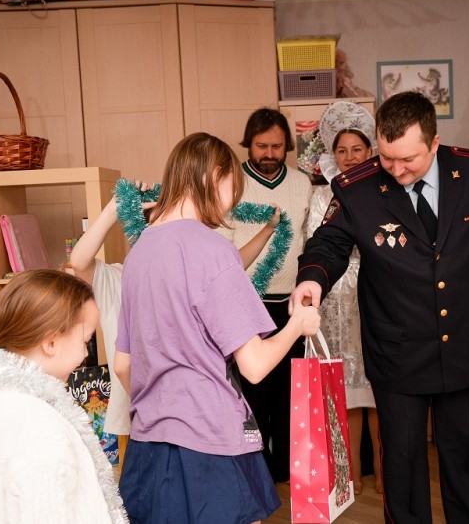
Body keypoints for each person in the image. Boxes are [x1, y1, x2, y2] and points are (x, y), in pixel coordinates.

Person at [291, 91, 469, 523]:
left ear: (434, 143)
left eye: (408, 160)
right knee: (402, 464)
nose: (395, 170)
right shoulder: (356, 187)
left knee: (461, 457)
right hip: (395, 351)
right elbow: (328, 244)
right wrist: (312, 277)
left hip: (462, 346)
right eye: (387, 157)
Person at [114, 132, 321, 523]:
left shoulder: (140, 251)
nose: (233, 201)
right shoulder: (213, 249)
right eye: (233, 188)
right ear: (215, 176)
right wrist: (298, 325)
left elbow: (124, 364)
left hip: (148, 441)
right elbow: (255, 366)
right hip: (210, 437)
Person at [70, 182, 280, 471]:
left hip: (169, 415)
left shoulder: (180, 266)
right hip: (141, 413)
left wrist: (267, 230)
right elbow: (79, 261)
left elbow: (231, 264)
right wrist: (115, 207)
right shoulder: (117, 276)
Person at [0, 269, 128, 524]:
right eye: (85, 340)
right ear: (51, 342)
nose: (84, 355)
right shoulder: (41, 432)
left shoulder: (2, 397)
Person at [218, 107, 313, 483]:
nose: (270, 154)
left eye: (277, 146)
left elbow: (306, 239)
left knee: (290, 391)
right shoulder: (229, 182)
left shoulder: (302, 183)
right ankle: (255, 466)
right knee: (253, 389)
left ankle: (287, 467)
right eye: (262, 146)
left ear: (287, 146)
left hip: (291, 302)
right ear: (248, 144)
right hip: (246, 301)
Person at [305, 100, 382, 495]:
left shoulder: (385, 190)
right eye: (342, 150)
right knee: (347, 392)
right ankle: (347, 475)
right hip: (337, 298)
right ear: (331, 154)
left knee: (379, 392)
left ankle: (387, 479)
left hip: (378, 291)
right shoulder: (322, 195)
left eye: (357, 149)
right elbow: (316, 245)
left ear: (370, 151)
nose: (350, 157)